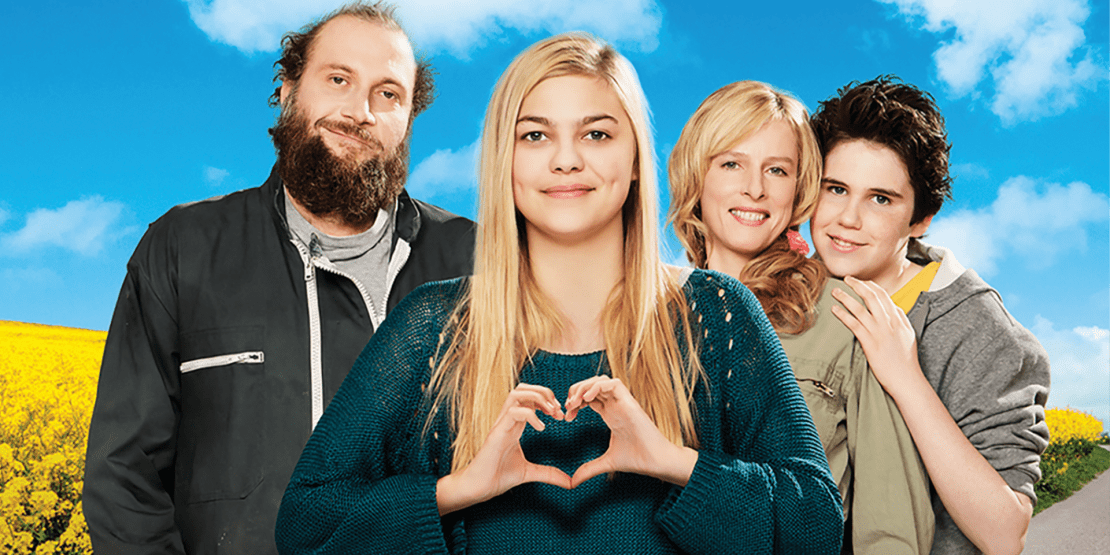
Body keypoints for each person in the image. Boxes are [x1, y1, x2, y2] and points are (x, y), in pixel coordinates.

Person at [275, 33, 842, 555]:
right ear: (506, 159)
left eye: (596, 133)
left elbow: (816, 524)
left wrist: (676, 465)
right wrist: (454, 491)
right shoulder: (433, 324)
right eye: (536, 134)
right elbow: (307, 523)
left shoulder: (715, 314)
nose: (566, 158)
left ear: (636, 159)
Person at [82, 2, 475, 553]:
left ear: (408, 120)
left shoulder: (477, 258)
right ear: (289, 89)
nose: (360, 110)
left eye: (388, 94)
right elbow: (123, 476)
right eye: (338, 79)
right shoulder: (182, 248)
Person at [667, 80, 933, 554]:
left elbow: (891, 529)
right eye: (731, 163)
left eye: (777, 170)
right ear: (695, 175)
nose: (755, 188)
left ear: (800, 187)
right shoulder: (645, 319)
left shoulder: (845, 312)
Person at [809, 76, 1050, 555]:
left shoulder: (982, 332)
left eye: (881, 199)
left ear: (921, 217)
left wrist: (905, 377)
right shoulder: (793, 290)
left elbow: (1005, 533)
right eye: (835, 188)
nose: (848, 218)